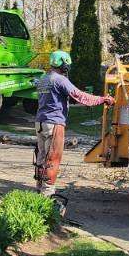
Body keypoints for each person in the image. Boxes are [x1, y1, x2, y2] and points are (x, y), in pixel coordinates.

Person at [33, 50, 112, 196]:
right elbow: (79, 95)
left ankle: (39, 188)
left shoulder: (44, 78)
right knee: (53, 157)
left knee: (41, 156)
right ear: (63, 64)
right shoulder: (60, 79)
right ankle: (47, 193)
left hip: (40, 122)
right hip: (54, 123)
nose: (67, 68)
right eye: (67, 65)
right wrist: (102, 99)